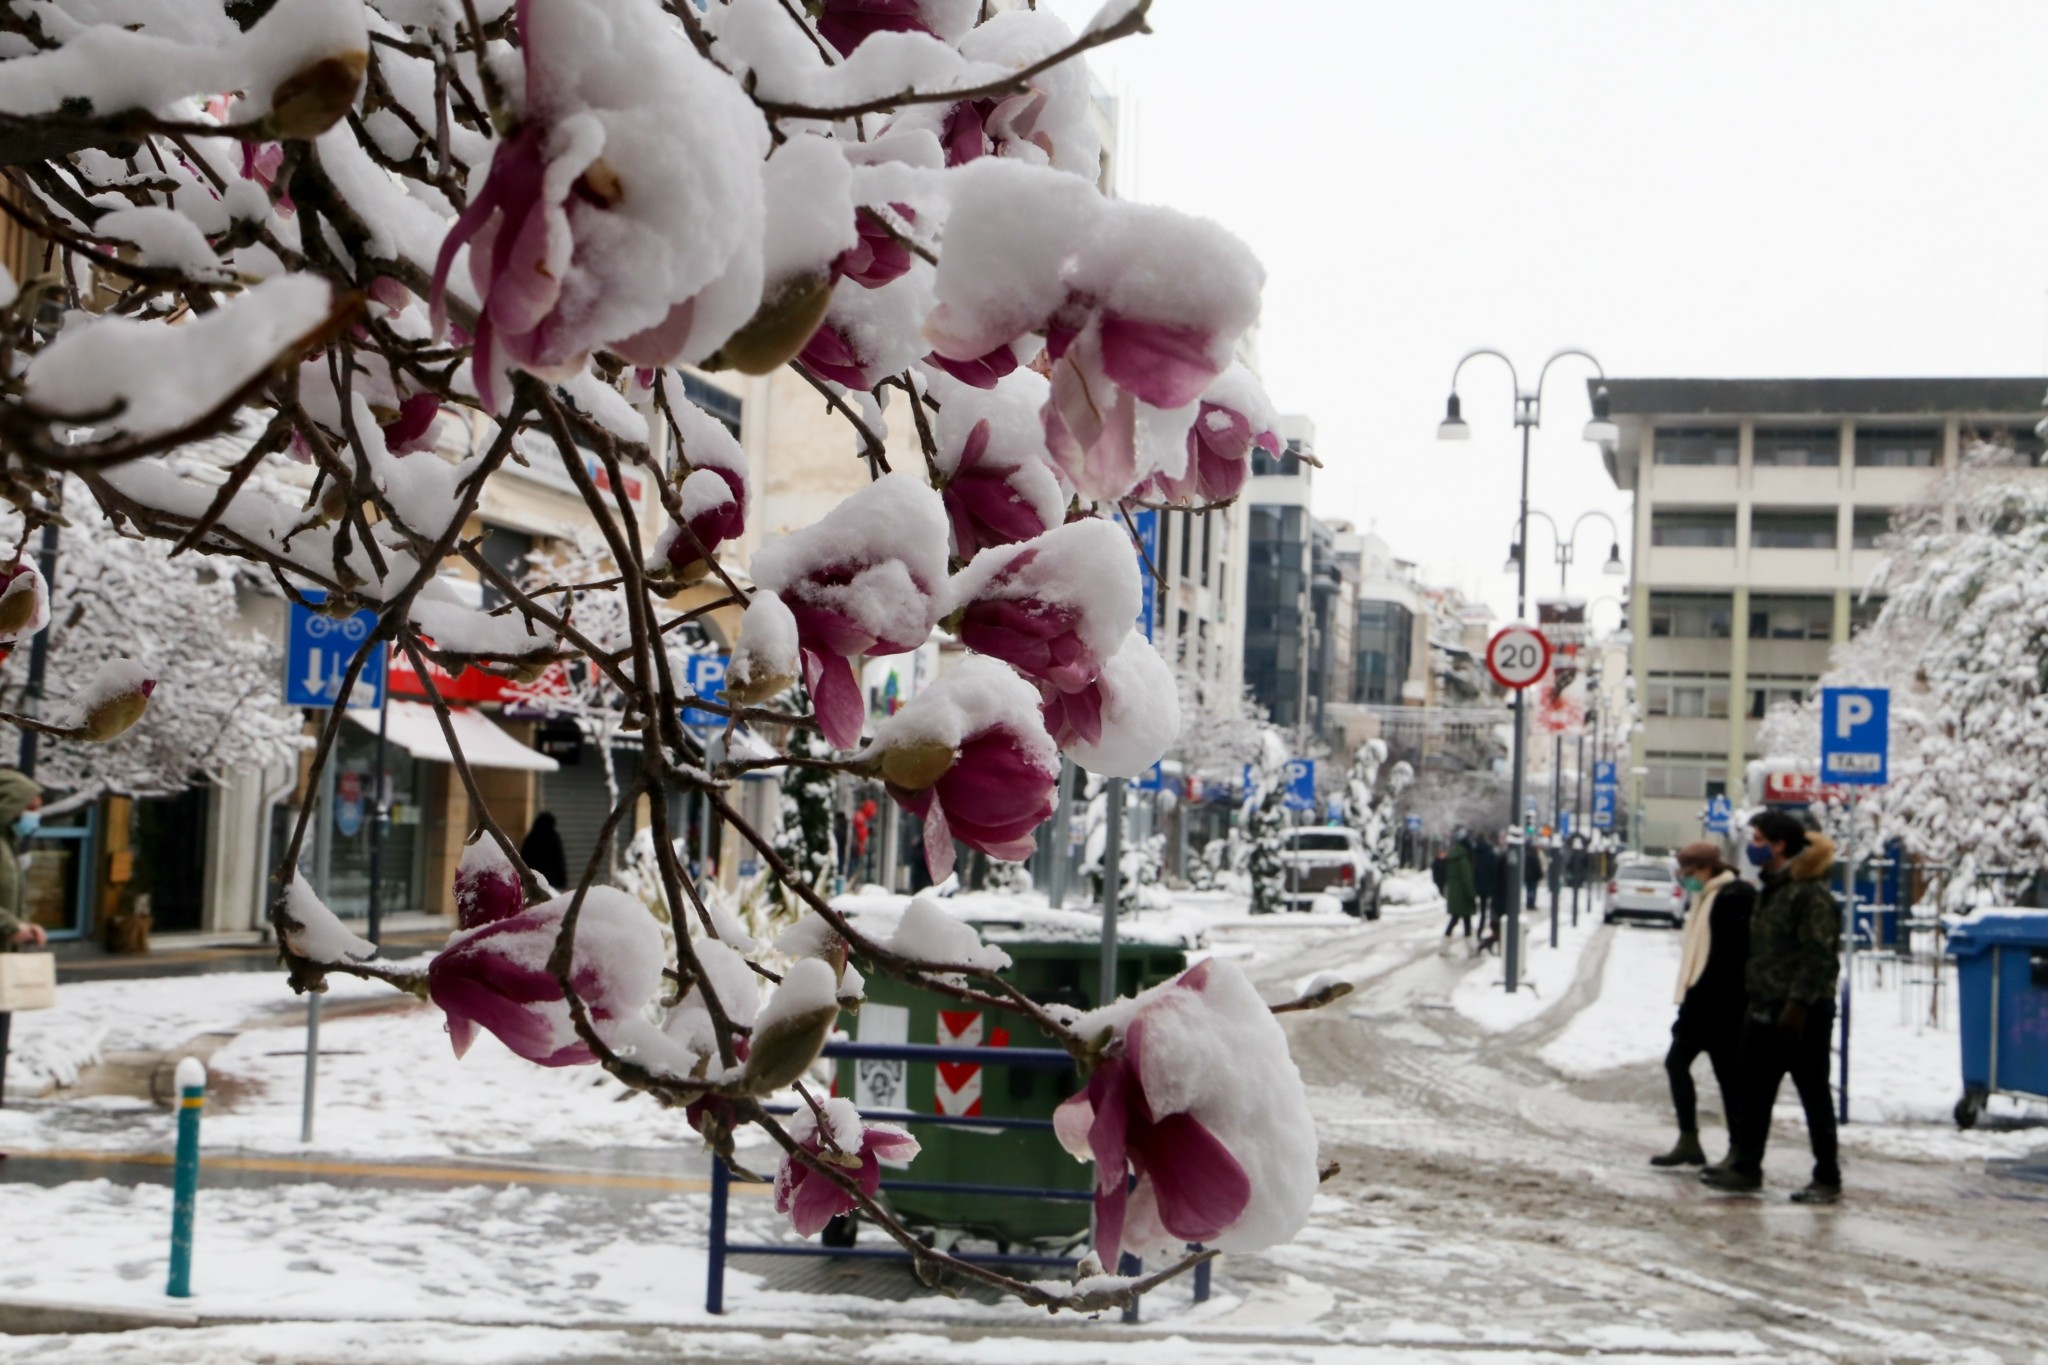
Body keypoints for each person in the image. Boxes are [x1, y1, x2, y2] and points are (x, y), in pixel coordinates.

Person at [1703, 810, 1843, 1204]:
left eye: (1759, 839)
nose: (1753, 845)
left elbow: (1818, 957)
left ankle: (1827, 1176)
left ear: (1780, 845)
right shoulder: (1774, 889)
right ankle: (1746, 1166)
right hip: (1763, 1008)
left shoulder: (1810, 894)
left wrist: (1798, 1005)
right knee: (1753, 1092)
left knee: (1813, 1094)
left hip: (1802, 1015)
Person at [1651, 841, 1754, 1168]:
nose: (1684, 878)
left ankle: (1737, 1150)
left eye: (1688, 872)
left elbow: (1728, 958)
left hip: (1723, 1007)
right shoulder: (1707, 896)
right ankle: (1690, 1139)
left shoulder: (1732, 897)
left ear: (1706, 869)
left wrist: (1694, 1003)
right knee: (1679, 1064)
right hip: (1703, 1004)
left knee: (1729, 1078)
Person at [0, 768, 46, 951]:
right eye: (30, 808)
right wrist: (11, 926)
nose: (35, 815)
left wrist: (24, 925)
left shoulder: (8, 845)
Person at [520, 811, 569, 892]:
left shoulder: (531, 837)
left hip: (533, 877)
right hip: (551, 880)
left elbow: (524, 857)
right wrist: (562, 880)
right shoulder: (554, 837)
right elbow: (559, 860)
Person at [1443, 834, 1477, 942]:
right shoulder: (1463, 860)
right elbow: (1466, 879)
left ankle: (1445, 943)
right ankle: (1470, 946)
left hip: (1454, 895)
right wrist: (1472, 894)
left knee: (1454, 919)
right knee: (1466, 920)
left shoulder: (1453, 857)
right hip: (1463, 896)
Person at [1523, 841, 1544, 910]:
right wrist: (1540, 875)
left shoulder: (1526, 856)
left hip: (1528, 877)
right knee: (1532, 891)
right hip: (1533, 877)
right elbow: (1537, 867)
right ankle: (1531, 904)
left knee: (1529, 890)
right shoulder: (1534, 857)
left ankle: (1529, 903)